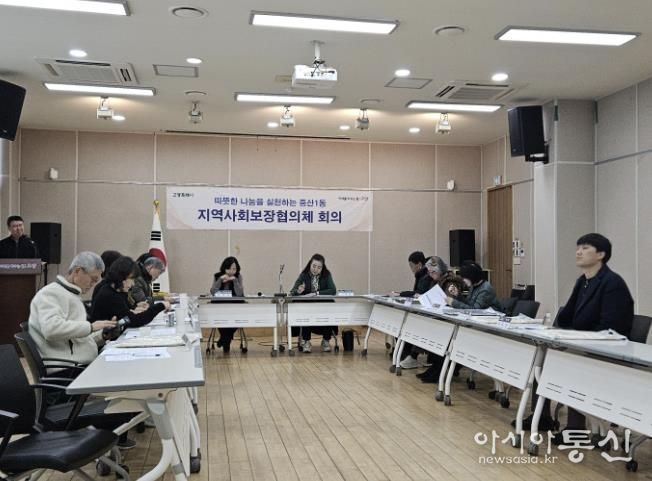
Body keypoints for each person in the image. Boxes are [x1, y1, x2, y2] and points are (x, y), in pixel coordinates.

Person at [28, 251, 117, 369]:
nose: (93, 284)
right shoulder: (50, 293)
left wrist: (103, 335)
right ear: (77, 271)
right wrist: (91, 327)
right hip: (67, 368)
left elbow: (76, 341)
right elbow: (51, 330)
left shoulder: (71, 294)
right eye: (93, 279)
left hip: (78, 364)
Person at [89, 256, 170, 330]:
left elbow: (126, 314)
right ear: (122, 277)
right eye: (132, 279)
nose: (133, 284)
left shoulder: (118, 291)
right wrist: (160, 306)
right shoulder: (109, 295)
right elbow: (133, 321)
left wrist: (135, 308)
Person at [289, 253, 337, 353]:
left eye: (319, 267)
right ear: (310, 264)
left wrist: (317, 293)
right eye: (314, 266)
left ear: (322, 268)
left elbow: (333, 290)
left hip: (322, 306)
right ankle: (306, 341)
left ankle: (326, 340)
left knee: (329, 311)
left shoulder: (326, 275)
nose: (315, 269)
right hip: (308, 306)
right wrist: (299, 291)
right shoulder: (303, 275)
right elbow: (292, 292)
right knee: (306, 313)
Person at [209, 256, 244, 353]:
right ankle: (226, 340)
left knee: (237, 319)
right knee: (220, 318)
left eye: (234, 269)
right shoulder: (217, 276)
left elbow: (239, 293)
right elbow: (213, 292)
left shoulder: (238, 276)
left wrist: (235, 280)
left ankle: (224, 339)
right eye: (230, 269)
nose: (232, 271)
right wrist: (220, 280)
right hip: (220, 307)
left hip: (235, 307)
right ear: (225, 268)